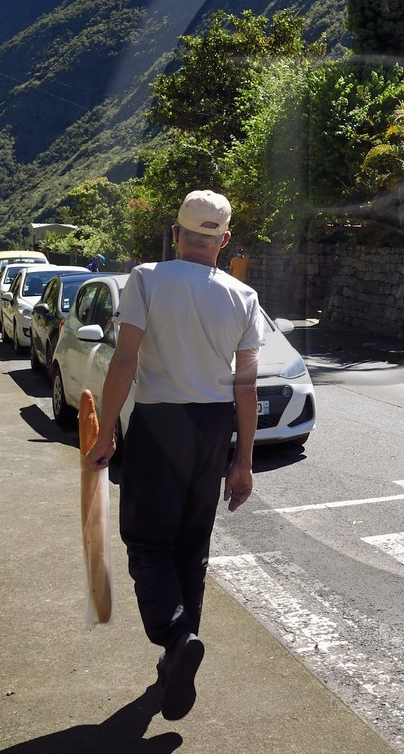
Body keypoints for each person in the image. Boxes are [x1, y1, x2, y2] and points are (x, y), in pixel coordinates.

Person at [83, 190, 264, 721]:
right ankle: (175, 656)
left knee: (146, 539)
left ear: (176, 232)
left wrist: (106, 435)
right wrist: (244, 461)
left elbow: (125, 361)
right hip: (213, 427)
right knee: (192, 545)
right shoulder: (243, 296)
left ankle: (176, 634)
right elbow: (246, 385)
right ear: (223, 240)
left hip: (161, 421)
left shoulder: (146, 278)